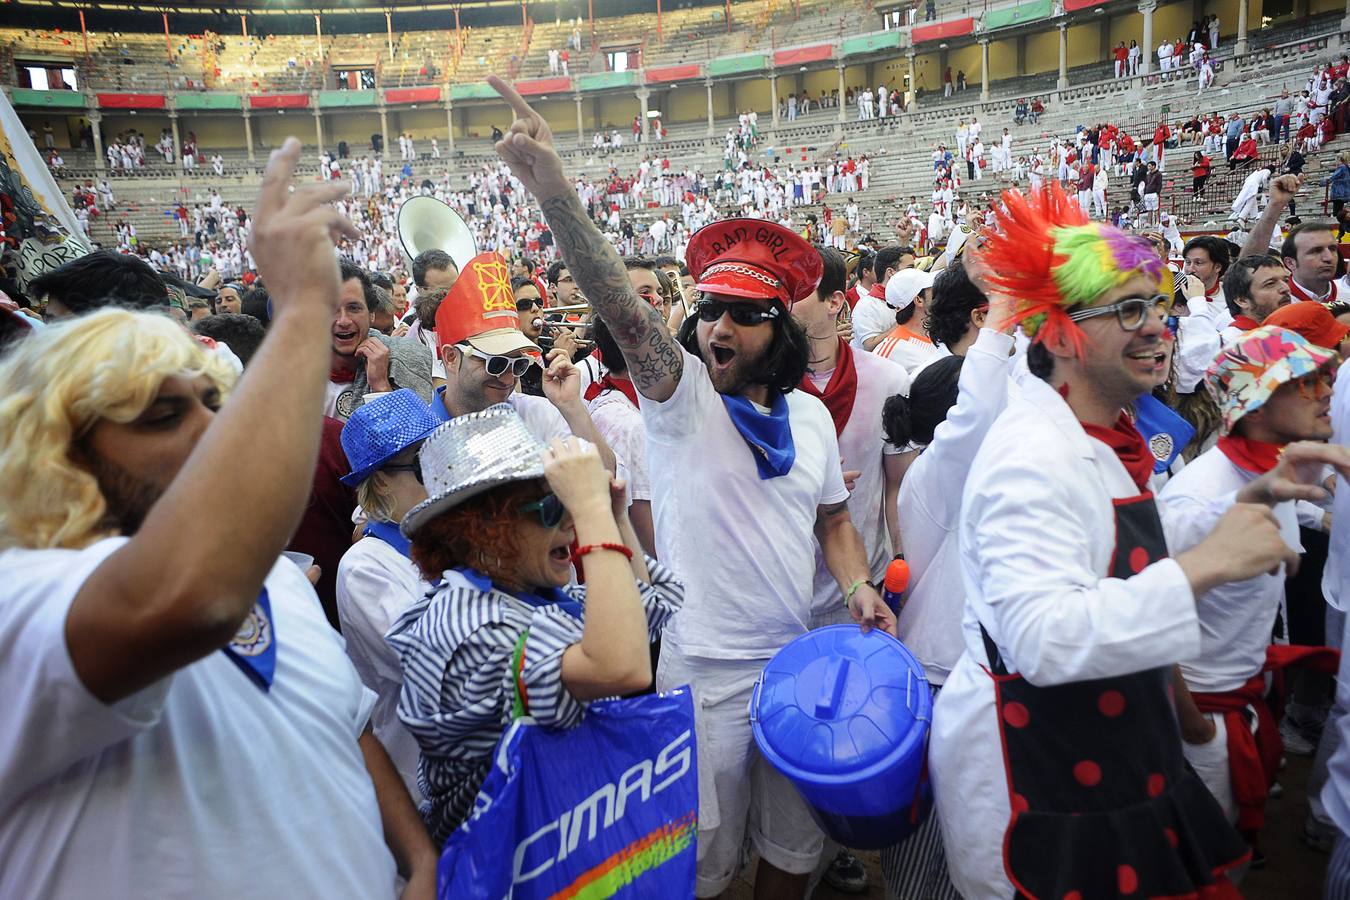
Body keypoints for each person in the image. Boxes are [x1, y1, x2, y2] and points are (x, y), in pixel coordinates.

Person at [485, 75, 895, 899]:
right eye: (709, 309)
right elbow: (621, 308)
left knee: (792, 849)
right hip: (698, 675)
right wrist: (558, 193)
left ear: (778, 331)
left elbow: (835, 522)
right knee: (698, 869)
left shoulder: (811, 420)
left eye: (742, 315)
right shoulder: (680, 403)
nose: (716, 326)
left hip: (796, 666)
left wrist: (856, 585)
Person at [0, 139, 437, 898]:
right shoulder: (21, 596)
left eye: (214, 405)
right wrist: (302, 305)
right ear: (60, 451)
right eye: (163, 415)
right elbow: (191, 600)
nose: (211, 434)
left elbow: (349, 726)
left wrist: (416, 856)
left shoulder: (281, 580)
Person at [929, 184, 1322, 899]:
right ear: (1057, 335)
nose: (1159, 329)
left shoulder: (1098, 432)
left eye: (1161, 306)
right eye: (1129, 310)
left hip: (1095, 747)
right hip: (1032, 768)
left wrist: (1242, 500)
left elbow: (1104, 549)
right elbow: (1043, 638)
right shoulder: (1031, 456)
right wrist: (1204, 565)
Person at [389, 406, 682, 845]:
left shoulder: (525, 593)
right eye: (549, 508)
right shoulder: (469, 626)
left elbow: (641, 615)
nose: (569, 522)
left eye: (566, 503)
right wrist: (590, 512)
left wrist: (614, 515)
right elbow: (621, 668)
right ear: (483, 531)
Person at [1164, 327, 1345, 855]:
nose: (1328, 389)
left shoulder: (1274, 468)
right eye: (1307, 382)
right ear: (1257, 404)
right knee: (1207, 864)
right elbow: (1149, 631)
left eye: (1327, 376)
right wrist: (1198, 732)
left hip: (1246, 700)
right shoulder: (1195, 503)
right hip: (1204, 721)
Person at [879, 257, 1015, 900]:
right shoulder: (936, 475)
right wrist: (1006, 306)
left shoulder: (974, 472)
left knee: (974, 840)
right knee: (922, 849)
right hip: (936, 675)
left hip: (967, 672)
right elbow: (983, 406)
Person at [336, 390, 440, 800]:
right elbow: (433, 664)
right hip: (420, 779)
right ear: (380, 478)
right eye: (422, 462)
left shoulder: (451, 536)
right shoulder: (365, 568)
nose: (440, 469)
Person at [430, 251, 617, 476]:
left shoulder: (536, 413)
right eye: (496, 364)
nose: (508, 379)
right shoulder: (418, 438)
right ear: (451, 358)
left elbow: (605, 475)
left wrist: (572, 406)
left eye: (518, 364)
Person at [327, 261, 434, 421]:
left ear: (371, 315)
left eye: (354, 308)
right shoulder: (289, 370)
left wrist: (381, 386)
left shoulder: (408, 357)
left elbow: (418, 442)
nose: (343, 321)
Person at [873, 268, 940, 375]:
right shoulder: (890, 350)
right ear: (918, 300)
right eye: (932, 289)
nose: (939, 292)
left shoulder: (936, 335)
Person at [1220, 255, 1293, 342]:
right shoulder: (1230, 344)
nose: (1285, 288)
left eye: (1286, 280)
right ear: (1242, 300)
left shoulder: (1290, 332)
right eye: (1270, 284)